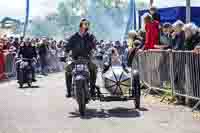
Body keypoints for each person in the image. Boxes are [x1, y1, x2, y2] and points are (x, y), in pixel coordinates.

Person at [65, 19, 97, 98]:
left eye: (87, 25)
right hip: (75, 60)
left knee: (94, 69)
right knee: (67, 69)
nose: (85, 27)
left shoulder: (90, 37)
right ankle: (69, 91)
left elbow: (94, 47)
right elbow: (67, 48)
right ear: (80, 26)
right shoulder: (73, 37)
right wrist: (65, 56)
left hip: (87, 60)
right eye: (84, 25)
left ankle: (92, 90)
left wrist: (96, 53)